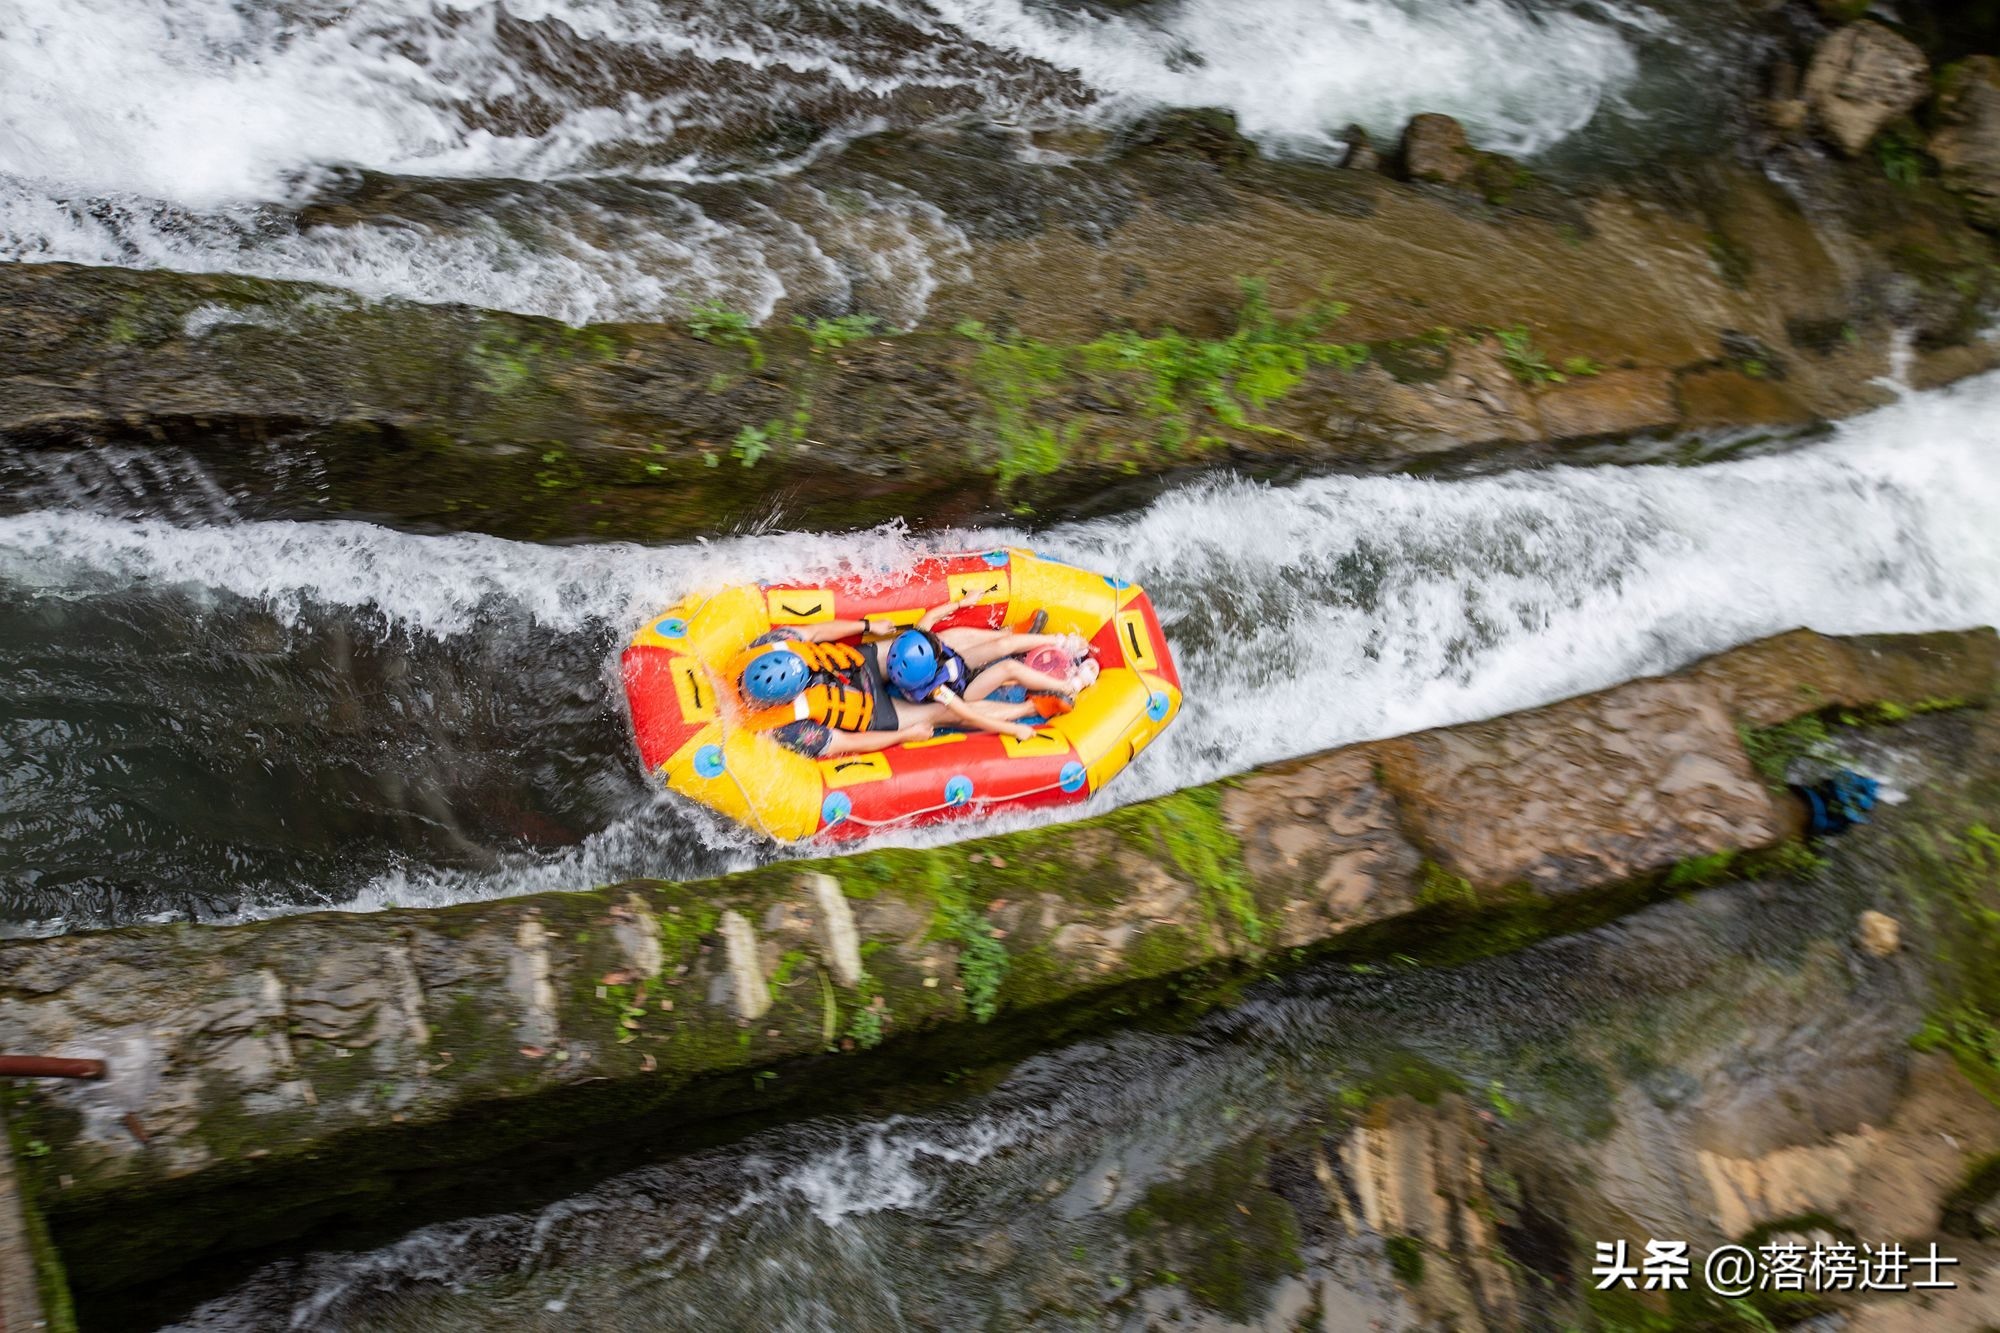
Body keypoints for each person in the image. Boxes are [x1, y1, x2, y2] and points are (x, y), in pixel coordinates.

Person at [732, 610, 1044, 757]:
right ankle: (1031, 707)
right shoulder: (786, 730)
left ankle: (1008, 636)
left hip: (852, 664)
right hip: (868, 710)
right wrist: (905, 735)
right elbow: (846, 743)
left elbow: (815, 632)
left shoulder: (769, 645)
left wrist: (867, 625)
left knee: (927, 645)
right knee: (945, 712)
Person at [883, 597, 1099, 720]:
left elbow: (930, 617)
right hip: (964, 691)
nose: (938, 641)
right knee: (1009, 668)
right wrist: (1012, 729)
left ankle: (1060, 641)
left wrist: (962, 602)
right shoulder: (938, 692)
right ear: (932, 664)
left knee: (1002, 645)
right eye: (936, 646)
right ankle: (1068, 686)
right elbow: (968, 714)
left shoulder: (917, 640)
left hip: (955, 666)